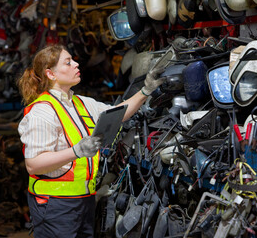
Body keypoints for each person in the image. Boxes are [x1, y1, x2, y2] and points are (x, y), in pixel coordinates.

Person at [17, 44, 165, 238]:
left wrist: (145, 92)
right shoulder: (42, 111)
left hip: (84, 201)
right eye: (68, 62)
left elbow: (119, 113)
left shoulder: (81, 103)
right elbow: (33, 165)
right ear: (50, 74)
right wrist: (76, 151)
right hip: (54, 205)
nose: (76, 64)